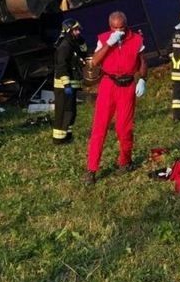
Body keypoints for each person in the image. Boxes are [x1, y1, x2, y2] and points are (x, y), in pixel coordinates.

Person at [85, 11, 147, 184]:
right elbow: (95, 61)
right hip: (108, 84)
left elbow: (142, 61)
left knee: (124, 128)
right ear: (110, 26)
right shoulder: (104, 38)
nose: (119, 31)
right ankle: (91, 169)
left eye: (121, 27)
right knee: (100, 127)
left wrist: (142, 78)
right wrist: (108, 44)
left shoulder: (136, 39)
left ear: (126, 25)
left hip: (127, 86)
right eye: (115, 28)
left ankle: (125, 161)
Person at [51, 19, 88, 144]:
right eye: (75, 30)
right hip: (64, 86)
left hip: (71, 84)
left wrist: (81, 40)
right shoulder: (65, 46)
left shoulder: (73, 43)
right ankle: (58, 139)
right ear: (68, 31)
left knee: (71, 112)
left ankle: (67, 135)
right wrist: (66, 84)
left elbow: (83, 53)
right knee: (63, 112)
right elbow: (61, 66)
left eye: (78, 30)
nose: (78, 32)